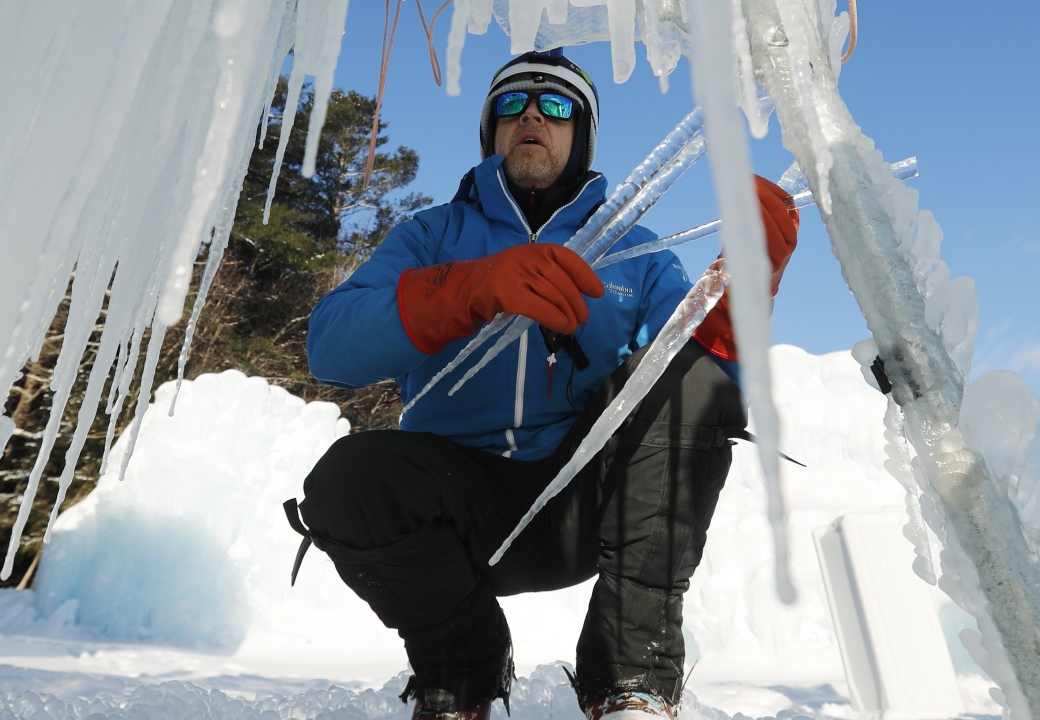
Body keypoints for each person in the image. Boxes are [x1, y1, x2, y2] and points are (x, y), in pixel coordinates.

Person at [285, 50, 799, 720]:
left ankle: (630, 680)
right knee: (348, 479)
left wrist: (735, 311)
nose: (531, 114)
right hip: (456, 509)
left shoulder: (635, 249)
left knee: (688, 385)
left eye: (555, 106)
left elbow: (703, 398)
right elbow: (329, 347)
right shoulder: (432, 236)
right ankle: (461, 672)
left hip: (581, 505)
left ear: (578, 134)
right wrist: (466, 288)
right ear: (493, 130)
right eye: (512, 105)